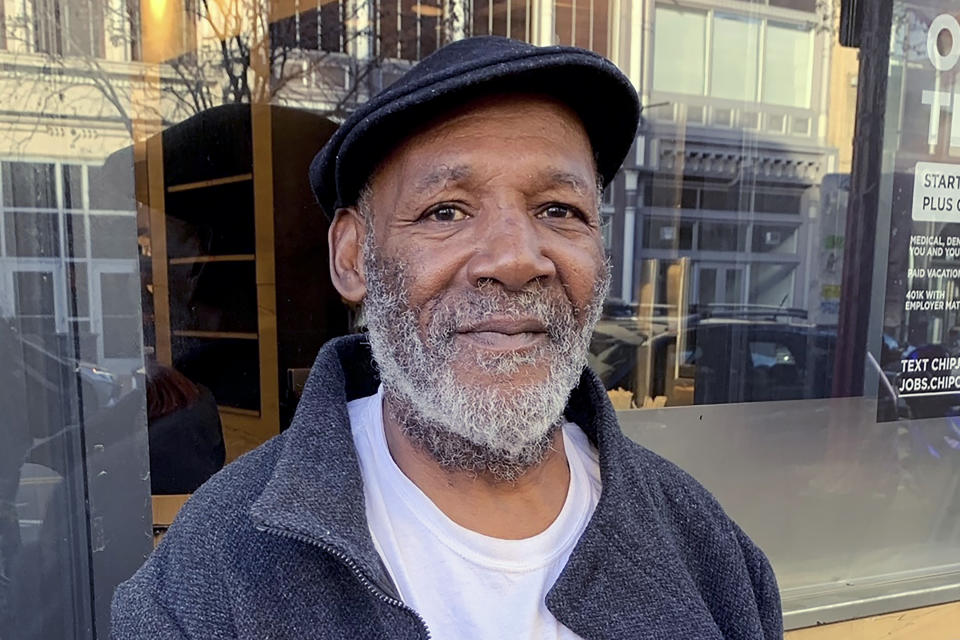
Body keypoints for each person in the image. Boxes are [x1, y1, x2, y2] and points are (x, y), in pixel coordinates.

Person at [112, 36, 782, 639]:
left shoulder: (709, 554)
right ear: (353, 258)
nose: (516, 258)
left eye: (558, 209)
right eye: (446, 211)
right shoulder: (215, 574)